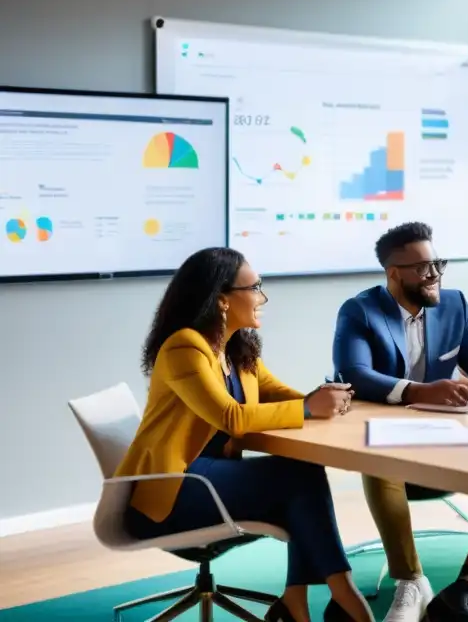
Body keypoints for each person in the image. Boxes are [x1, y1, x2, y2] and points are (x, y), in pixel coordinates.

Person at [116, 248, 374, 622]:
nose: (262, 297)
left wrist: (330, 400)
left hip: (209, 480)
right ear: (222, 299)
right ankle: (345, 600)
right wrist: (308, 408)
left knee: (300, 479)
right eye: (255, 287)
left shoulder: (239, 351)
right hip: (172, 492)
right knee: (300, 478)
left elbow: (288, 398)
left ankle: (296, 604)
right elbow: (231, 417)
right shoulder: (184, 347)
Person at [333, 222, 468, 622]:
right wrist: (417, 390)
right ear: (393, 273)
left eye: (438, 264)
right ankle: (410, 580)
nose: (435, 275)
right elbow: (354, 373)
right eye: (423, 267)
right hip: (392, 438)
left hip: (451, 437)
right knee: (378, 461)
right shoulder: (360, 310)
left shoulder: (454, 304)